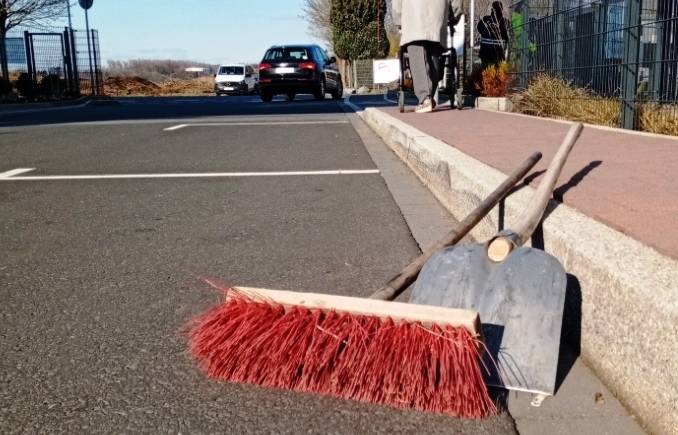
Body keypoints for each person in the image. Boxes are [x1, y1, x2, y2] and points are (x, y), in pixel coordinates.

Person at [392, 0, 463, 113]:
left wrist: (398, 19)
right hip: (437, 13)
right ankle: (429, 96)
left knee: (416, 55)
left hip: (412, 14)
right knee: (434, 55)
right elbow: (456, 4)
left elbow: (396, 3)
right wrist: (454, 15)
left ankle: (425, 98)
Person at [477, 1, 510, 70]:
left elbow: (479, 28)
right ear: (502, 9)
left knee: (486, 71)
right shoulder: (505, 22)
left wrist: (486, 33)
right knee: (497, 73)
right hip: (498, 54)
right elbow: (507, 38)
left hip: (485, 52)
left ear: (492, 9)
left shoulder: (485, 20)